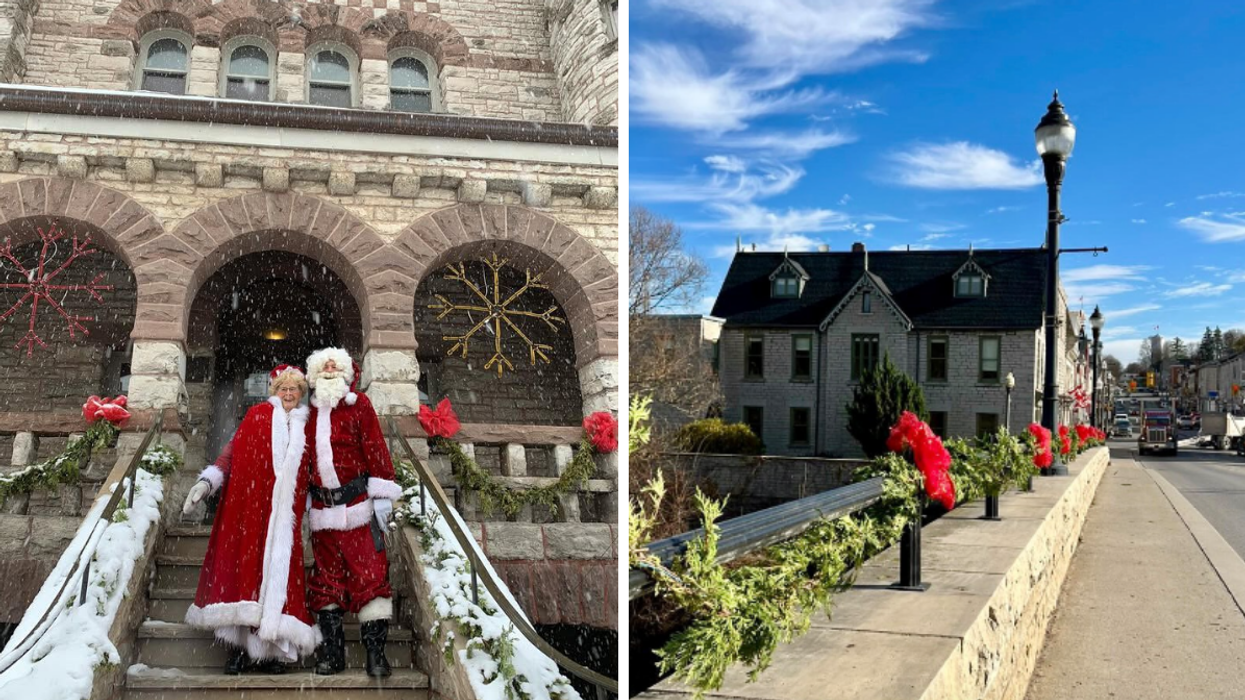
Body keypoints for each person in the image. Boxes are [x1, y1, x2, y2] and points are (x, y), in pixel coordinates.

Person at [181, 364, 319, 674]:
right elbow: (232, 450)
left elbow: (314, 470)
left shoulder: (305, 427)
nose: (288, 393)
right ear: (274, 390)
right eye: (283, 387)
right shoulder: (257, 416)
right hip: (252, 511)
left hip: (286, 518)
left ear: (301, 394)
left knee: (280, 578)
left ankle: (272, 653)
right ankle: (241, 651)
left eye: (294, 389)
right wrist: (208, 481)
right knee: (248, 576)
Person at [303, 347, 402, 677]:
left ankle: (376, 653)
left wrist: (383, 493)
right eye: (324, 366)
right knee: (326, 582)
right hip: (323, 512)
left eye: (335, 365)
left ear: (346, 373)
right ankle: (333, 654)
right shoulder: (310, 413)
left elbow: (374, 446)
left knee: (370, 577)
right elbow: (303, 459)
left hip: (359, 507)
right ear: (316, 375)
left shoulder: (359, 406)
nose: (330, 369)